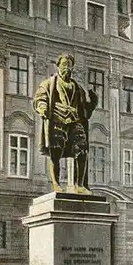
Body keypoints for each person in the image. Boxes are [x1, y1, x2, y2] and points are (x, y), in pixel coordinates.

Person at [33, 54, 98, 194]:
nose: (67, 68)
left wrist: (92, 103)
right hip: (57, 119)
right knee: (55, 152)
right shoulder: (49, 83)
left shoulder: (77, 87)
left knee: (82, 149)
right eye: (64, 64)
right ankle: (56, 184)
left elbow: (84, 109)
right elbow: (40, 97)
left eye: (69, 65)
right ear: (58, 66)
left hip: (74, 120)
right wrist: (42, 107)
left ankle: (79, 185)